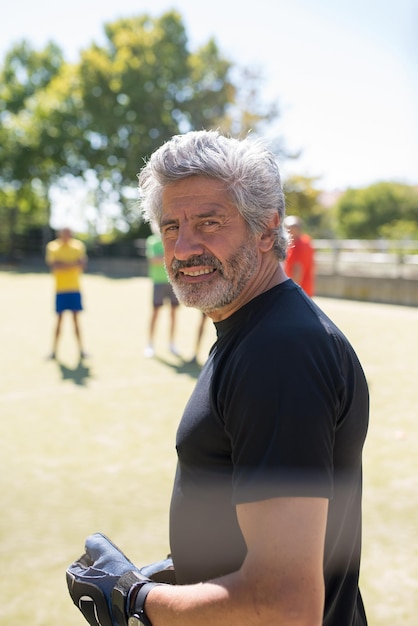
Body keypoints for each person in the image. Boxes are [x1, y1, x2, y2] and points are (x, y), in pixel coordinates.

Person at [67, 130, 369, 626]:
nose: (185, 248)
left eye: (209, 222)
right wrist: (184, 573)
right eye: (170, 227)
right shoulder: (257, 331)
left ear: (266, 228)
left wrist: (134, 601)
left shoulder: (280, 351)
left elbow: (287, 605)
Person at [45, 227, 88, 359]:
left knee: (76, 321)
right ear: (59, 234)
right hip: (60, 290)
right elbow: (55, 266)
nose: (66, 236)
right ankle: (53, 351)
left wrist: (64, 265)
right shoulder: (52, 247)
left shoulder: (78, 246)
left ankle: (81, 350)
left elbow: (82, 264)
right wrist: (73, 264)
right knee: (59, 321)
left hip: (75, 289)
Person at [144, 227, 180, 358]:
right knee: (155, 313)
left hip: (173, 282)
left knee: (174, 314)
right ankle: (150, 344)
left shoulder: (174, 240)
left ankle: (172, 344)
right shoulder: (152, 241)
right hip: (158, 282)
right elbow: (154, 260)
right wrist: (169, 255)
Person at [283, 215, 315, 296]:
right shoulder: (306, 241)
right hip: (305, 289)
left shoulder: (298, 245)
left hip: (298, 291)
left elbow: (298, 269)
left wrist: (291, 292)